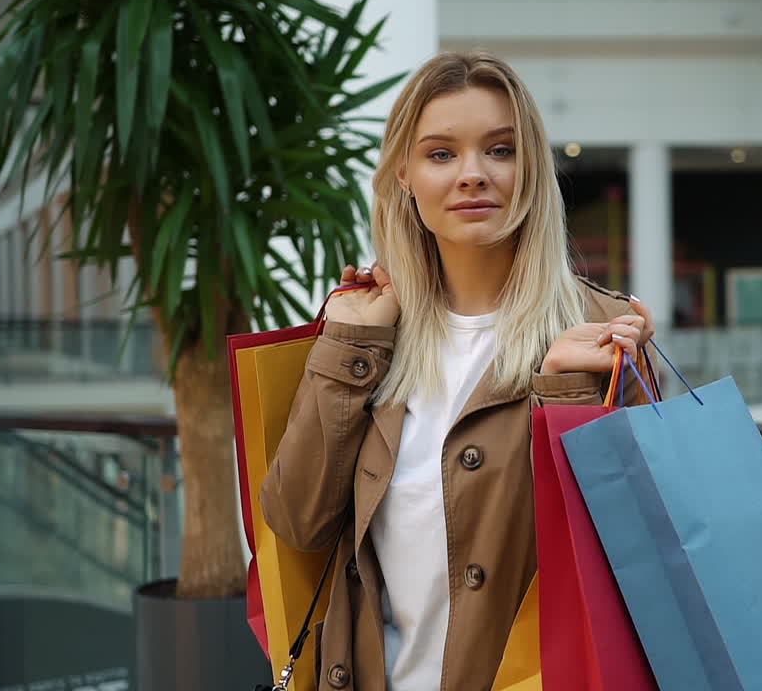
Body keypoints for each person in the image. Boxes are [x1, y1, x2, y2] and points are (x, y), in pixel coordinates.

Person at [260, 51, 656, 691]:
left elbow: (637, 566)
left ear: (531, 170)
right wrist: (351, 346)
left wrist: (567, 394)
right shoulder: (370, 330)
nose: (473, 175)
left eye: (500, 150)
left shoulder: (604, 335)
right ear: (404, 178)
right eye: (441, 154)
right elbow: (300, 521)